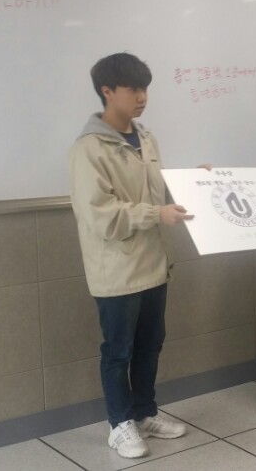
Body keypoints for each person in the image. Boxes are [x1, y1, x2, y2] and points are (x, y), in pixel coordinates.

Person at [68, 52, 194, 459]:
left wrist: (199, 183)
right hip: (117, 269)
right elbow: (100, 215)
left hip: (154, 263)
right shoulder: (89, 148)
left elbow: (157, 191)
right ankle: (119, 424)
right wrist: (155, 214)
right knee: (117, 350)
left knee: (150, 344)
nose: (142, 97)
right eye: (133, 89)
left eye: (145, 89)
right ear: (107, 91)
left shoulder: (147, 138)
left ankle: (144, 413)